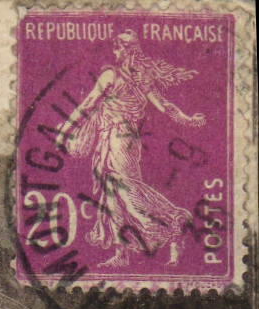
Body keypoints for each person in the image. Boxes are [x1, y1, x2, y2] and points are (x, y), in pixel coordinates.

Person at [54, 30, 207, 266]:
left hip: (117, 138)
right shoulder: (142, 80)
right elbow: (165, 106)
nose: (115, 53)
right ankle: (121, 253)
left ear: (126, 50)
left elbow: (87, 104)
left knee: (124, 190)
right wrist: (187, 119)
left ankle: (173, 221)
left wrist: (65, 129)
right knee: (113, 193)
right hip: (127, 140)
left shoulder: (110, 75)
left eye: (117, 48)